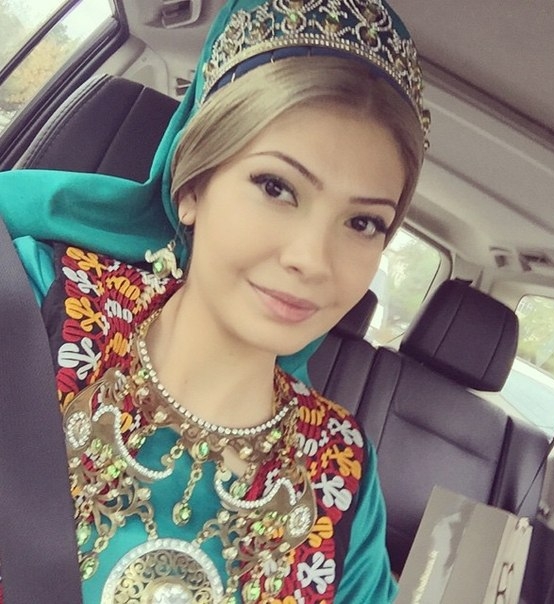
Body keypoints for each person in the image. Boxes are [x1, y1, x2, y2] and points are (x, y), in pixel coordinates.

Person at [0, 0, 430, 601]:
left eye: (363, 223)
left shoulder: (341, 472)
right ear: (192, 187)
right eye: (276, 187)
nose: (312, 258)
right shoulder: (37, 302)